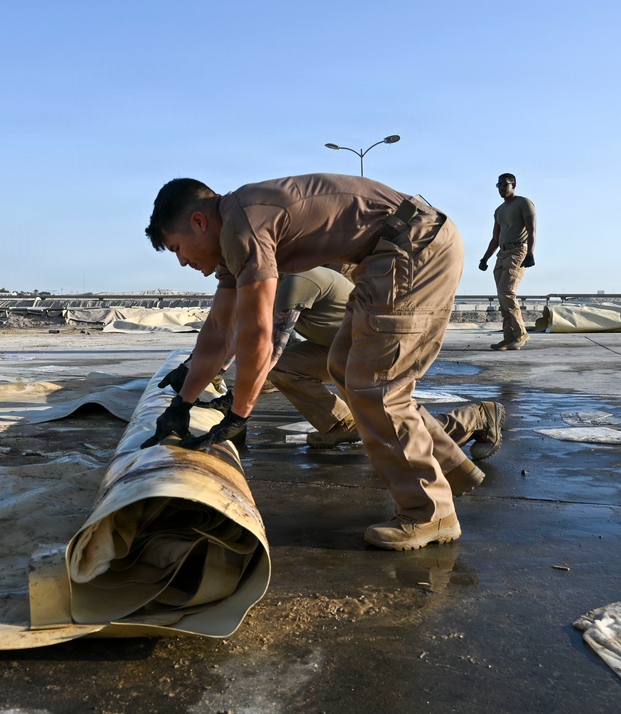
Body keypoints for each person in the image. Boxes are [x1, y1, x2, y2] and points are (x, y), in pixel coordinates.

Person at [141, 173, 477, 551]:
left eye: (177, 248)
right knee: (345, 366)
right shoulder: (234, 234)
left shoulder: (243, 227)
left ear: (199, 221)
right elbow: (219, 330)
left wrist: (238, 414)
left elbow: (258, 334)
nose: (182, 262)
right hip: (386, 253)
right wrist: (181, 404)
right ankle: (452, 467)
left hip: (413, 245)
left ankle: (430, 511)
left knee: (376, 385)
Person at [161, 266, 507, 469]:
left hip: (379, 351)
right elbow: (240, 335)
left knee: (392, 432)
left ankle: (478, 417)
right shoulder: (269, 285)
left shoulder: (295, 280)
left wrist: (234, 407)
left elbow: (270, 349)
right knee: (285, 370)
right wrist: (197, 369)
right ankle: (340, 424)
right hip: (340, 350)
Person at [478, 173, 536, 351]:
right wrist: (485, 258)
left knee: (507, 292)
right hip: (502, 253)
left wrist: (530, 253)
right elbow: (495, 239)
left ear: (514, 185)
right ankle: (508, 337)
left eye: (505, 184)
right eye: (499, 185)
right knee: (502, 297)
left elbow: (532, 230)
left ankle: (521, 334)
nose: (502, 188)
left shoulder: (524, 203)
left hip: (518, 251)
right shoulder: (499, 211)